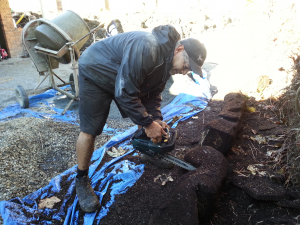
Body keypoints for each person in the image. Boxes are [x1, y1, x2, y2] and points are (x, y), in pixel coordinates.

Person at [75, 25, 207, 213]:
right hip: (95, 70)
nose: (186, 71)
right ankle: (81, 179)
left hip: (120, 77)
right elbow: (125, 92)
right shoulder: (147, 47)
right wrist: (147, 123)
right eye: (187, 65)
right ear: (179, 49)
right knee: (90, 130)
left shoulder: (167, 65)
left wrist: (157, 120)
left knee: (148, 117)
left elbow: (152, 96)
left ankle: (150, 152)